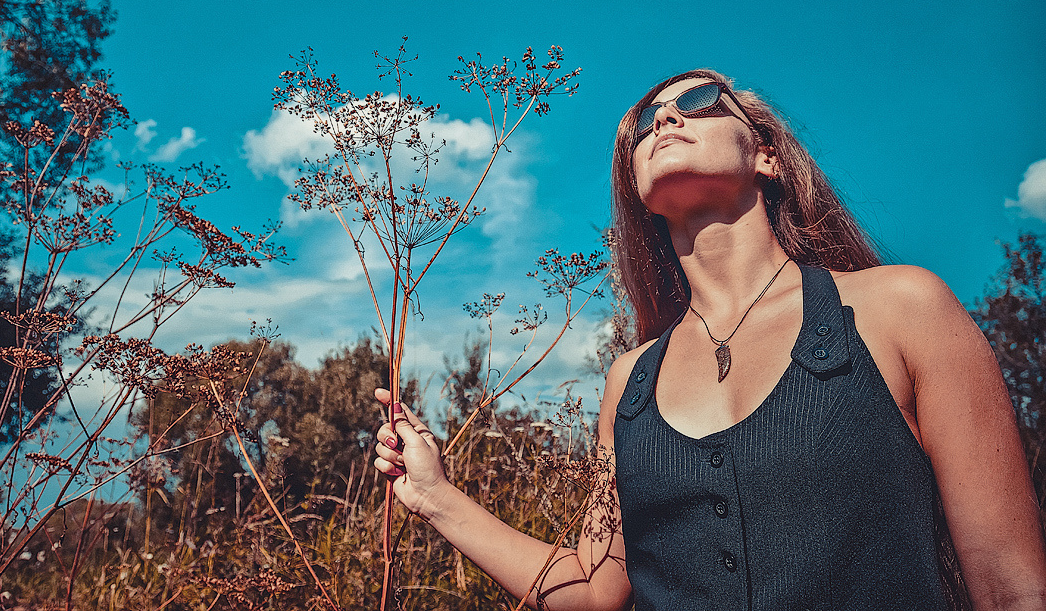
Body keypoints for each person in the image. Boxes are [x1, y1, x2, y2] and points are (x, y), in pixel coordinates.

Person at [374, 69, 1046, 610]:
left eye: (698, 101)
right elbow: (592, 586)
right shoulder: (628, 384)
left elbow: (1011, 587)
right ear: (635, 192)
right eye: (645, 123)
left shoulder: (901, 308)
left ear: (767, 154)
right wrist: (436, 496)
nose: (665, 118)